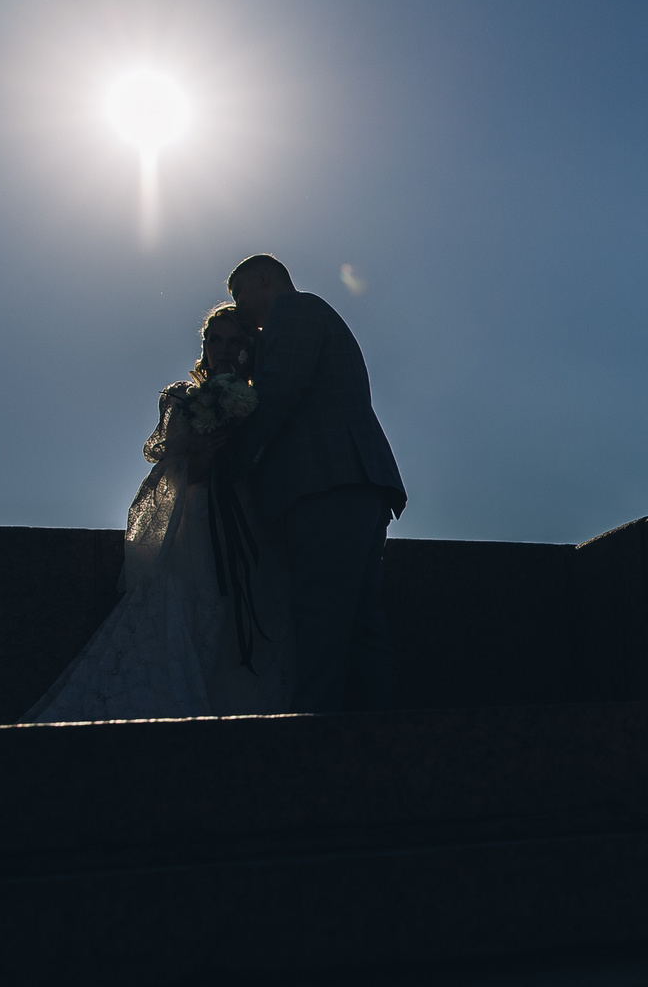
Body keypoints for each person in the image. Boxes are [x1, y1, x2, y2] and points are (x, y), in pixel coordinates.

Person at [22, 303, 289, 721]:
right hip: (199, 522)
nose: (222, 350)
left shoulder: (262, 400)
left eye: (234, 341)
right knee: (190, 608)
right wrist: (205, 449)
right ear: (204, 345)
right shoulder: (183, 398)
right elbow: (184, 473)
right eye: (215, 340)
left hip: (246, 520)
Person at [223, 252, 406, 711]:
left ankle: (311, 733)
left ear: (263, 279)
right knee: (360, 622)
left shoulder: (294, 309)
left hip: (324, 480)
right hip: (354, 481)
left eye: (239, 293)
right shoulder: (309, 316)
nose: (238, 304)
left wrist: (242, 460)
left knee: (321, 619)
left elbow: (282, 388)